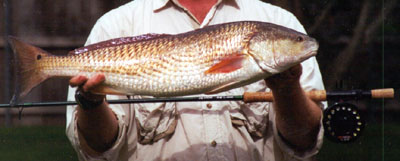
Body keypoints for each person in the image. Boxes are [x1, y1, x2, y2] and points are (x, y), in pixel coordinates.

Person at [66, 0, 326, 160]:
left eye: (297, 41)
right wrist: (90, 102)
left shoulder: (277, 20)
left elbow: (304, 143)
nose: (303, 44)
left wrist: (288, 89)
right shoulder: (116, 24)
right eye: (297, 42)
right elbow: (98, 149)